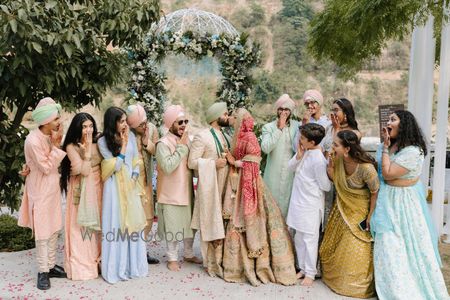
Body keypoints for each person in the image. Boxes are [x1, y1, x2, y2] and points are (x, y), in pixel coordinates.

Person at [370, 110, 449, 299]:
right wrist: (386, 147)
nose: (388, 122)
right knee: (387, 245)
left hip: (404, 204)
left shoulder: (413, 151)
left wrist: (387, 150)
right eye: (388, 119)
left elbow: (388, 174)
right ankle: (390, 287)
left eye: (393, 120)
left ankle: (406, 290)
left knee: (409, 246)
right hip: (385, 201)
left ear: (404, 124)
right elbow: (381, 173)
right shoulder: (386, 147)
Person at [220, 108, 297, 286]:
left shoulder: (244, 138)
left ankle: (247, 265)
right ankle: (244, 265)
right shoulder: (245, 137)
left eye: (237, 118)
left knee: (247, 220)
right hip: (242, 183)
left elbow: (251, 162)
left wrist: (235, 162)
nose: (235, 120)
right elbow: (251, 161)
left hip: (245, 183)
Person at [319, 130, 379, 298]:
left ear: (347, 149)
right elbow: (336, 180)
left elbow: (375, 191)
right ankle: (333, 280)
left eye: (336, 145)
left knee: (353, 247)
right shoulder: (337, 161)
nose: (332, 148)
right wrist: (330, 168)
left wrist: (370, 216)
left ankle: (354, 286)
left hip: (359, 210)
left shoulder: (366, 168)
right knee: (331, 247)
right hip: (342, 209)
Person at [18, 97, 67, 290]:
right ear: (46, 121)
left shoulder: (50, 135)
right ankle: (42, 271)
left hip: (52, 189)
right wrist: (56, 147)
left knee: (54, 227)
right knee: (43, 232)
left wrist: (55, 143)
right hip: (39, 190)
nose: (59, 122)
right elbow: (46, 167)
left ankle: (51, 265)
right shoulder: (32, 140)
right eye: (56, 119)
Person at [98, 106, 148, 284]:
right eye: (121, 121)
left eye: (126, 121)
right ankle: (116, 268)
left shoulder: (132, 136)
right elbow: (116, 166)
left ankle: (133, 266)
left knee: (133, 224)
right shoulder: (103, 141)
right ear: (113, 123)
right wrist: (124, 145)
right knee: (117, 223)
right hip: (114, 187)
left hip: (131, 184)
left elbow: (136, 160)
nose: (125, 124)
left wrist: (134, 175)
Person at [156, 105, 202, 271]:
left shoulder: (187, 140)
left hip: (187, 190)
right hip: (171, 193)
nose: (183, 125)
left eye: (185, 121)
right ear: (170, 124)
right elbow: (167, 167)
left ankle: (188, 253)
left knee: (190, 225)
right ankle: (172, 257)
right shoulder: (162, 143)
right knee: (173, 226)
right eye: (179, 122)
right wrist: (182, 147)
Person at [286, 123, 331, 286]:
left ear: (312, 142)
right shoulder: (304, 152)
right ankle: (303, 269)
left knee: (309, 239)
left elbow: (326, 186)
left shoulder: (319, 159)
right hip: (297, 202)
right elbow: (290, 168)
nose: (300, 140)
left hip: (310, 204)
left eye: (303, 138)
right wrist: (298, 156)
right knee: (299, 237)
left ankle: (311, 273)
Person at [188, 102, 231, 272]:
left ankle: (222, 258)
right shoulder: (202, 136)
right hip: (209, 186)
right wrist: (213, 163)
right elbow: (192, 162)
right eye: (225, 114)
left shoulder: (225, 136)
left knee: (223, 221)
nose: (227, 117)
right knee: (208, 220)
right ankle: (209, 261)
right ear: (216, 117)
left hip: (225, 184)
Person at [60, 113, 103, 280]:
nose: (88, 129)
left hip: (98, 188)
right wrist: (85, 155)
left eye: (90, 126)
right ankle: (83, 265)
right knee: (81, 227)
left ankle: (98, 260)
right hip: (80, 191)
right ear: (77, 127)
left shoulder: (98, 142)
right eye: (84, 126)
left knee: (96, 227)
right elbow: (83, 171)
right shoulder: (72, 146)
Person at [126, 104, 160, 265]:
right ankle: (131, 253)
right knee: (132, 218)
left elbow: (159, 151)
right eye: (140, 125)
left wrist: (148, 144)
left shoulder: (152, 129)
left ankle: (141, 250)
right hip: (129, 182)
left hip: (145, 180)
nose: (144, 126)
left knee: (147, 217)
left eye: (145, 122)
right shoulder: (126, 131)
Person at [261, 94, 300, 217]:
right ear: (277, 110)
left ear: (291, 111)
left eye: (286, 109)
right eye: (281, 109)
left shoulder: (297, 126)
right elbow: (266, 148)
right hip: (273, 176)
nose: (283, 112)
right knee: (271, 210)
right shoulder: (268, 127)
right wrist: (279, 129)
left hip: (290, 175)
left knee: (288, 208)